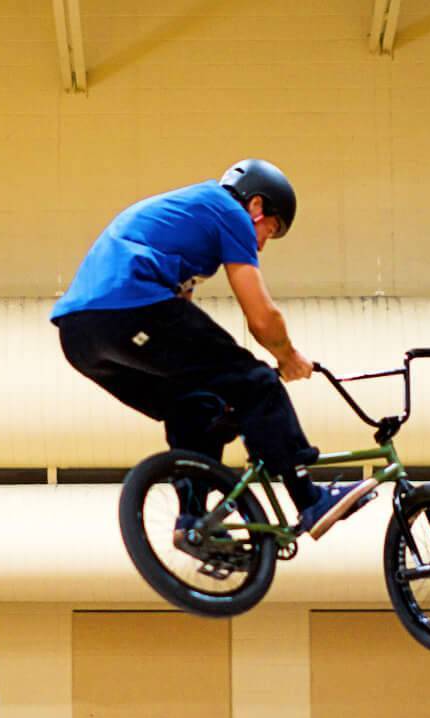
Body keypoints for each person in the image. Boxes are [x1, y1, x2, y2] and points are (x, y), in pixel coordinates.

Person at [54, 161, 372, 541]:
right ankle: (309, 498)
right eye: (270, 229)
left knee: (196, 405)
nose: (262, 244)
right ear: (256, 205)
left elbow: (184, 319)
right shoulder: (229, 212)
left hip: (80, 337)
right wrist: (288, 357)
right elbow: (261, 317)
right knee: (255, 381)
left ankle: (193, 521)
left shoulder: (189, 214)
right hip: (129, 306)